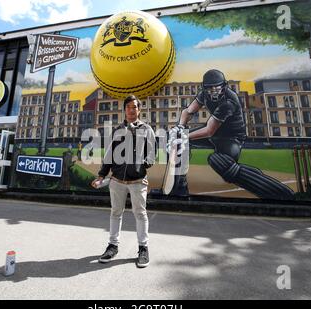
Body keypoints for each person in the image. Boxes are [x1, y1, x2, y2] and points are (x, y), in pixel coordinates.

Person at [168, 69, 294, 200]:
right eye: (210, 88)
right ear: (205, 88)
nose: (213, 91)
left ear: (224, 86)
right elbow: (188, 111)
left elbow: (209, 130)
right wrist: (180, 127)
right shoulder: (203, 94)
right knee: (178, 142)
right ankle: (179, 187)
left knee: (220, 163)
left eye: (217, 87)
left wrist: (183, 135)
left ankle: (270, 188)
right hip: (215, 135)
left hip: (231, 138)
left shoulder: (229, 102)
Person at [92, 95, 156, 268]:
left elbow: (152, 152)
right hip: (117, 181)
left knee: (140, 214)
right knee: (115, 212)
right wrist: (101, 175)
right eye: (128, 107)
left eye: (134, 106)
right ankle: (113, 246)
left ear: (139, 109)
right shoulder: (118, 130)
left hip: (137, 181)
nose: (131, 109)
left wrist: (143, 166)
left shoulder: (147, 129)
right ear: (125, 110)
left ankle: (143, 248)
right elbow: (109, 154)